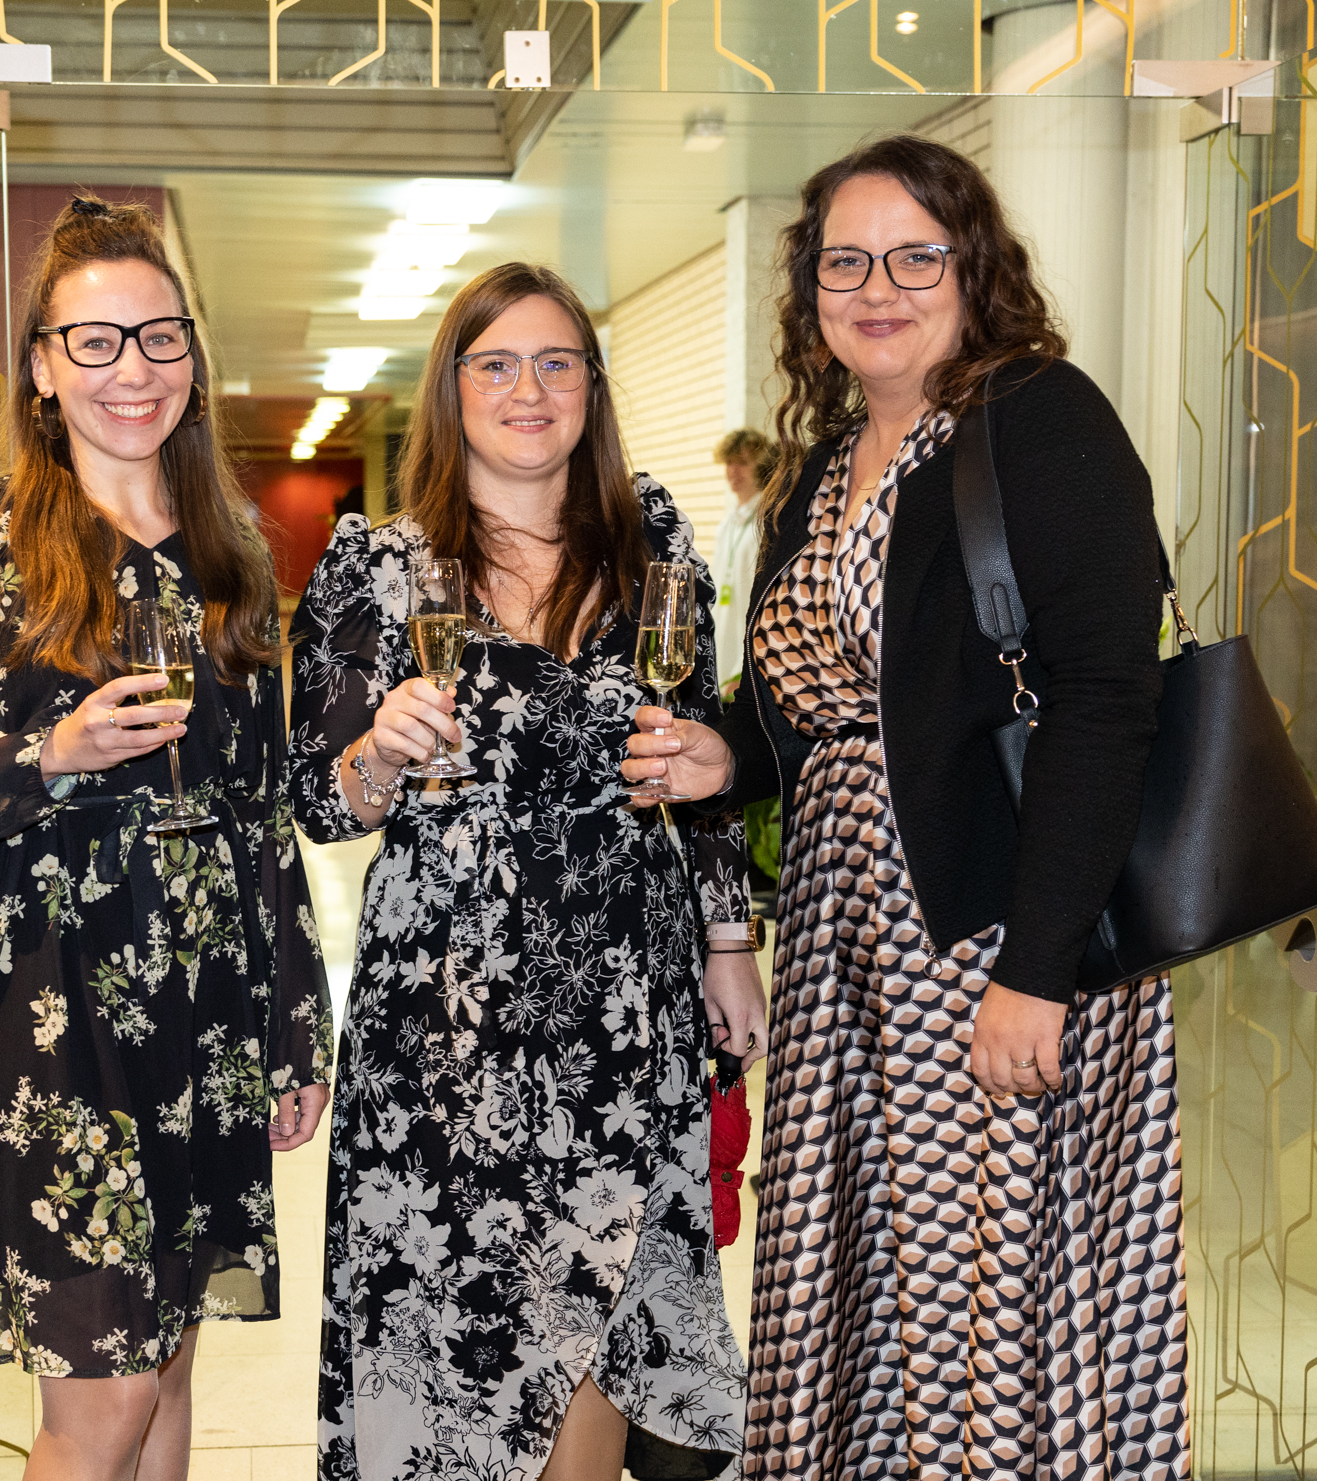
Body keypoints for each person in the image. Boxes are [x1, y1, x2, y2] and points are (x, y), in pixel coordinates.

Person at [623, 134, 1189, 1478]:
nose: (876, 289)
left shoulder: (1038, 420)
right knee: (864, 1293)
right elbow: (814, 703)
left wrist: (1038, 970)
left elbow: (1104, 698)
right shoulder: (827, 465)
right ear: (809, 287)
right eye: (845, 262)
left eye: (913, 257)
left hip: (994, 933)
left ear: (972, 268)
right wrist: (722, 757)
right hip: (846, 949)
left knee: (983, 1301)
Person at [0, 195, 332, 1481]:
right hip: (55, 1002)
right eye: (95, 341)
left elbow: (264, 813)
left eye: (158, 336)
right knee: (105, 1393)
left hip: (210, 1004)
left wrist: (296, 1021)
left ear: (191, 356)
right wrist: (50, 752)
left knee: (170, 1361)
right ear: (41, 366)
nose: (133, 368)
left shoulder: (233, 555)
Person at [290, 261, 764, 1481]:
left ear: (590, 387)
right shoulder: (375, 565)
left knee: (597, 1305)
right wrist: (378, 749)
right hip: (444, 1008)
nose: (528, 389)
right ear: (451, 389)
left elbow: (696, 744)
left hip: (622, 995)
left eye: (557, 363)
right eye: (495, 363)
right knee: (459, 1327)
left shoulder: (648, 536)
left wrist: (727, 941)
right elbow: (317, 799)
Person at [708, 428, 775, 700]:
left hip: (747, 665)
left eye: (743, 463)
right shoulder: (728, 525)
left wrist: (742, 673)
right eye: (729, 462)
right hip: (720, 656)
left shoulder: (767, 522)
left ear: (762, 466)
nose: (733, 471)